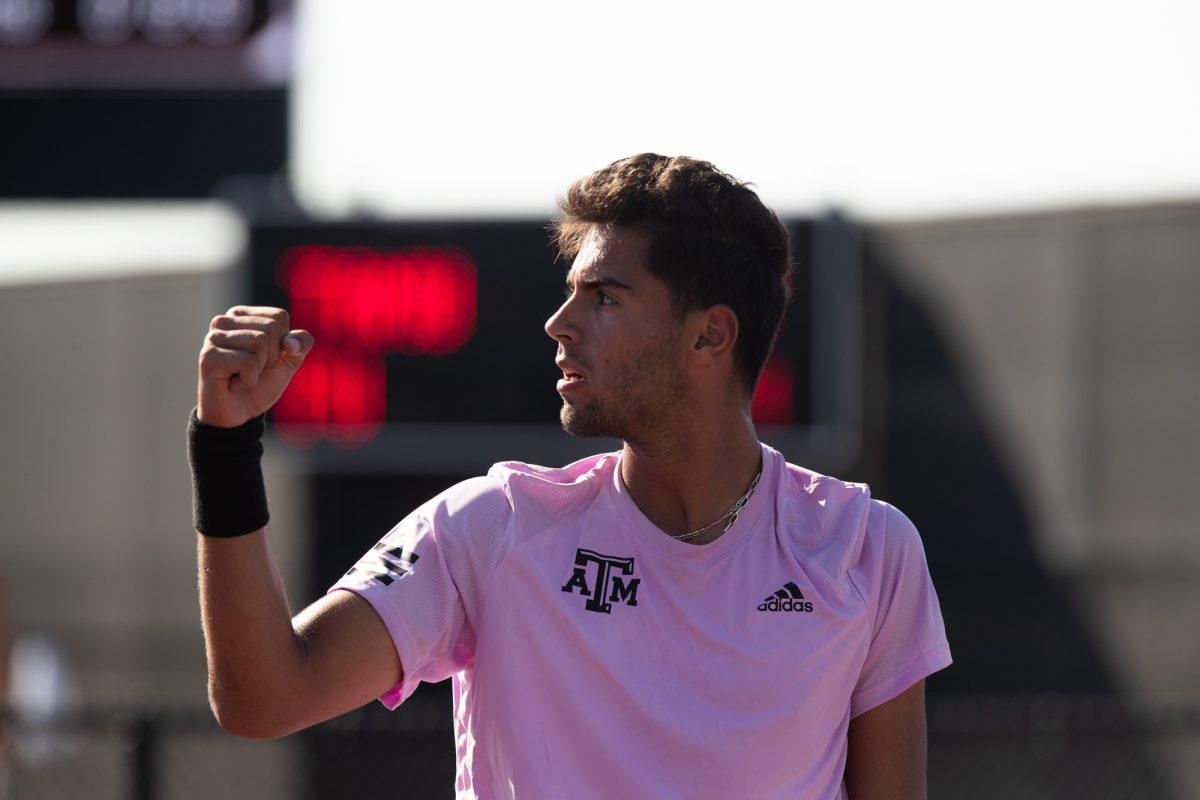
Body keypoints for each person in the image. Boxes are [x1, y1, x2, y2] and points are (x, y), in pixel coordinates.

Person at [190, 153, 952, 799]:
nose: (560, 323)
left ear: (710, 336)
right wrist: (224, 446)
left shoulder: (868, 549)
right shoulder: (489, 527)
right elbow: (265, 697)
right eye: (571, 291)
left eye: (604, 297)